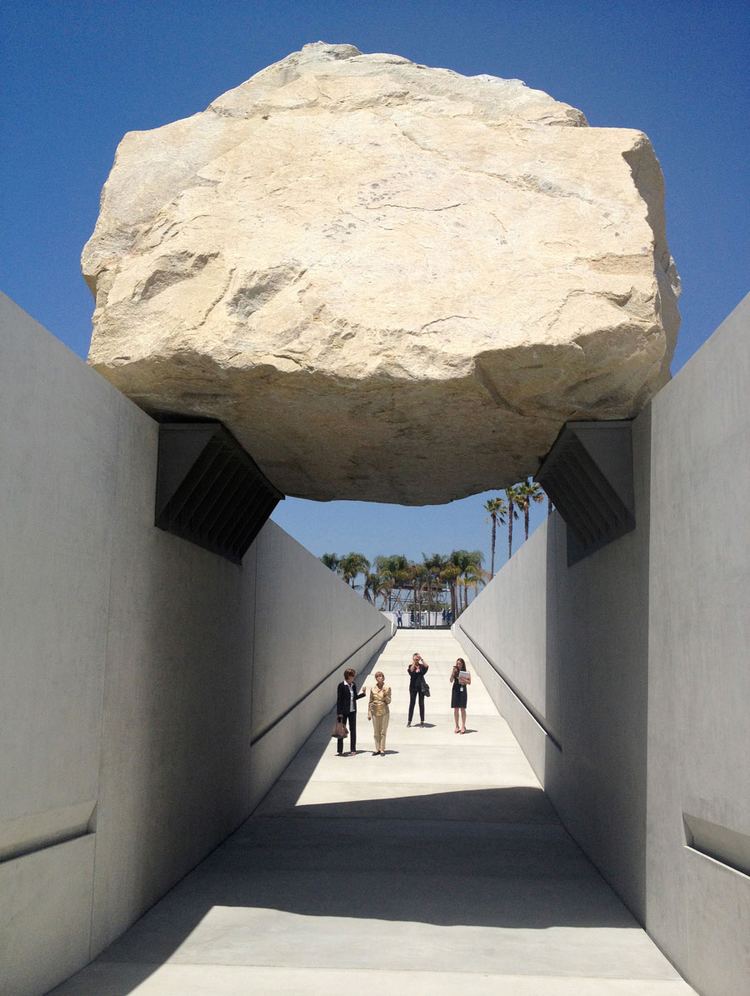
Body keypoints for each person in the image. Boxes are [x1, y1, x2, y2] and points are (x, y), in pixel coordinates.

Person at [336, 667, 366, 756]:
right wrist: (339, 713)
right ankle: (340, 750)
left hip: (352, 711)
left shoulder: (353, 685)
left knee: (353, 730)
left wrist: (363, 694)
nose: (354, 677)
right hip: (343, 712)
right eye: (352, 675)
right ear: (348, 676)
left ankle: (353, 749)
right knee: (341, 731)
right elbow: (339, 700)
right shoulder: (341, 685)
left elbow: (355, 697)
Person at [368, 670, 391, 755]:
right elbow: (370, 701)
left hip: (384, 711)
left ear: (383, 678)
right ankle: (377, 748)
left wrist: (385, 695)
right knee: (376, 731)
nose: (379, 677)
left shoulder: (387, 688)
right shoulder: (373, 689)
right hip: (375, 711)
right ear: (376, 679)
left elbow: (389, 701)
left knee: (383, 731)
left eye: (381, 676)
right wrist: (369, 713)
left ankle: (382, 748)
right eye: (377, 676)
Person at [407, 652, 429, 727]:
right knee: (412, 703)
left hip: (421, 687)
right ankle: (409, 721)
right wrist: (414, 662)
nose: (417, 659)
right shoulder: (411, 666)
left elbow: (427, 666)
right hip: (413, 687)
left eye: (417, 658)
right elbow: (411, 670)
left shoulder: (421, 666)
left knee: (421, 703)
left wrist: (421, 659)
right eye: (415, 658)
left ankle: (422, 720)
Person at [450, 657, 471, 734]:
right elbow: (451, 680)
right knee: (455, 709)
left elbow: (469, 682)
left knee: (462, 709)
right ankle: (456, 726)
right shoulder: (455, 671)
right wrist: (452, 673)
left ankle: (463, 726)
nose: (458, 665)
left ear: (463, 664)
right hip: (455, 690)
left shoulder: (466, 672)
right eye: (457, 663)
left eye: (460, 663)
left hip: (463, 690)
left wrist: (462, 679)